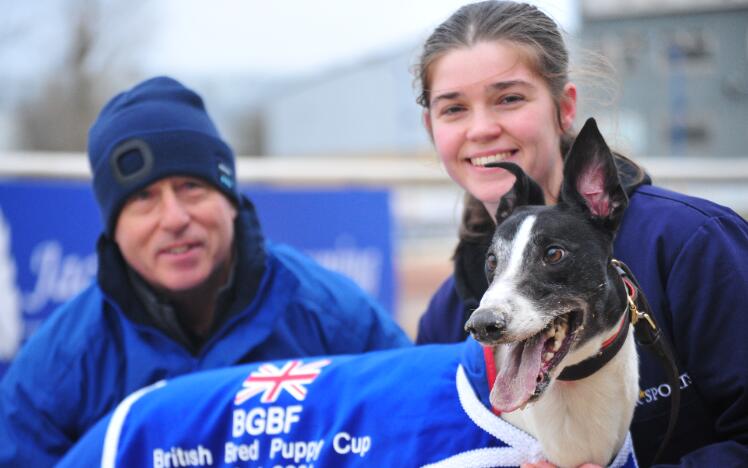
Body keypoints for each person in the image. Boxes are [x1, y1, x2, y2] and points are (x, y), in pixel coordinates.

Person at [0, 76, 411, 466]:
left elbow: (410, 429)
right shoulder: (62, 361)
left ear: (230, 199)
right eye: (144, 197)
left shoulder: (333, 318)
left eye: (191, 187)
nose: (174, 218)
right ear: (113, 228)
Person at [412, 1, 748, 466]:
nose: (483, 129)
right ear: (431, 127)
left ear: (564, 107)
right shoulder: (450, 310)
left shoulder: (693, 244)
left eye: (509, 98)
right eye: (453, 109)